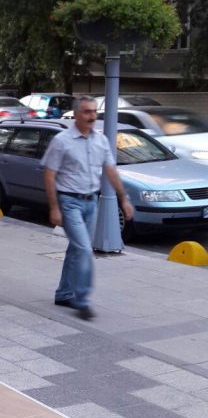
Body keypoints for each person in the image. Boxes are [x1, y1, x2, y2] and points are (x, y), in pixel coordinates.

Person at [43, 95, 134, 320]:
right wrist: (54, 207)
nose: (92, 116)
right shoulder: (62, 141)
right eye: (87, 112)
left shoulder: (100, 141)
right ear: (76, 114)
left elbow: (110, 170)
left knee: (76, 248)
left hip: (91, 202)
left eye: (94, 111)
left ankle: (64, 293)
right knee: (84, 249)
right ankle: (82, 300)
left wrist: (123, 198)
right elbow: (49, 174)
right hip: (69, 202)